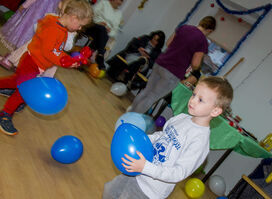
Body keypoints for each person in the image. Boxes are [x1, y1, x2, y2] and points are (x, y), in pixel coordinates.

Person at [102, 76, 234, 199]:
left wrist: (145, 167)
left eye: (200, 99)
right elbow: (163, 135)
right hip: (136, 168)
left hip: (149, 189)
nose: (192, 100)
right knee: (110, 191)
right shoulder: (181, 118)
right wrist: (148, 140)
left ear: (215, 111)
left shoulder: (199, 141)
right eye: (194, 94)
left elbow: (179, 173)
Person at [0, 0, 93, 136]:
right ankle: (5, 114)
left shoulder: (60, 27)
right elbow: (49, 52)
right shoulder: (54, 28)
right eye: (80, 25)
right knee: (25, 90)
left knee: (16, 82)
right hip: (32, 62)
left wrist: (70, 60)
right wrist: (64, 61)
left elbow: (57, 50)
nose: (79, 29)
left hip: (35, 63)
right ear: (73, 18)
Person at [129, 16, 216, 114]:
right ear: (209, 30)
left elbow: (169, 43)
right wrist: (197, 64)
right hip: (173, 72)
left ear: (201, 22)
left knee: (146, 91)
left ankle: (129, 114)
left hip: (161, 63)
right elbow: (195, 64)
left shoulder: (184, 28)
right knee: (152, 96)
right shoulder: (202, 41)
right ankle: (132, 119)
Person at [84, 0, 123, 69]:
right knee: (102, 29)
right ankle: (100, 55)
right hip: (94, 25)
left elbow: (115, 29)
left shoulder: (119, 13)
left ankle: (89, 55)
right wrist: (99, 22)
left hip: (105, 33)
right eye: (119, 0)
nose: (120, 2)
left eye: (121, 1)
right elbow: (92, 13)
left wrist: (109, 31)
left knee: (103, 33)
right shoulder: (103, 3)